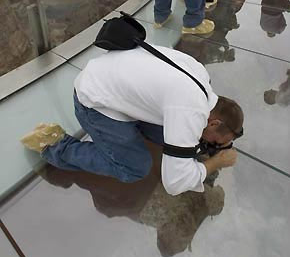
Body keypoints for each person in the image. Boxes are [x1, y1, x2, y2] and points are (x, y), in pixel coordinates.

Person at [21, 45, 243, 196]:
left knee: (171, 137)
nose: (209, 145)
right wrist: (215, 162)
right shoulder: (190, 109)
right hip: (93, 102)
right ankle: (55, 146)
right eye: (214, 141)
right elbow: (175, 183)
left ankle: (128, 135)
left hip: (105, 76)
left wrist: (195, 147)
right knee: (135, 167)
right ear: (213, 123)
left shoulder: (200, 77)